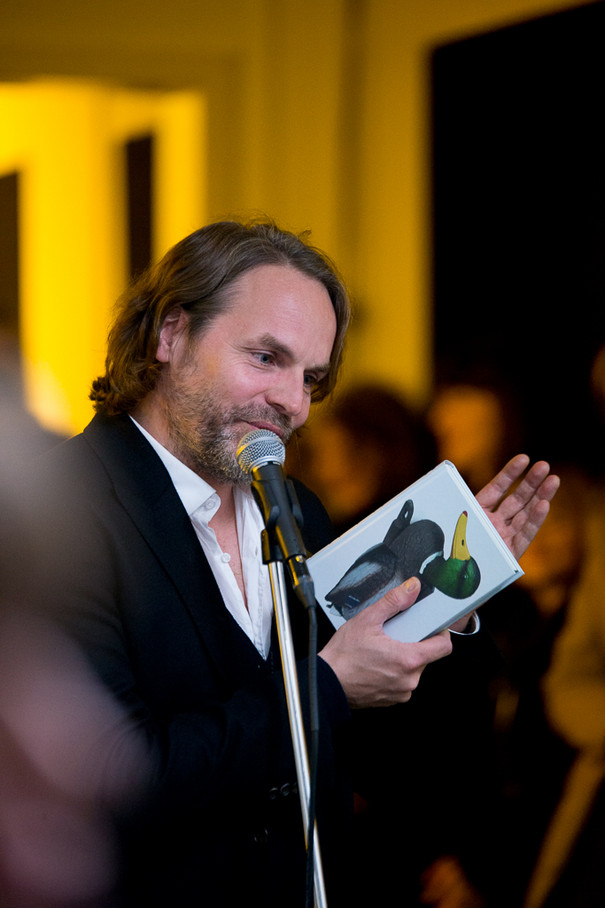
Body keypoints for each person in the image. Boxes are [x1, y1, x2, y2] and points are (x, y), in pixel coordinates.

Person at [14, 218, 559, 908]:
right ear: (169, 335)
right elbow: (111, 776)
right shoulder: (60, 514)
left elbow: (369, 747)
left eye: (311, 377)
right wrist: (325, 686)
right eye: (266, 358)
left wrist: (456, 588)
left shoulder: (294, 509)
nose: (293, 403)